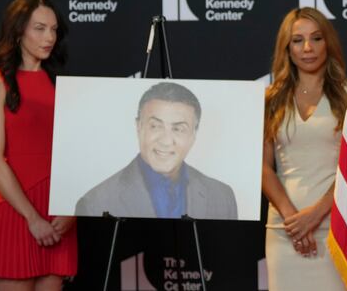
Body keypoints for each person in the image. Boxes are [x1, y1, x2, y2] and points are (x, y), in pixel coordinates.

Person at [0, 0, 77, 290]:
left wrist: (71, 210)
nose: (49, 37)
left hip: (59, 214)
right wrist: (33, 218)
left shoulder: (63, 87)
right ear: (18, 30)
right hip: (15, 212)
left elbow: (77, 156)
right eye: (39, 28)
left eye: (54, 29)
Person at [262, 7, 347, 290]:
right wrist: (292, 218)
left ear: (329, 42)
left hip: (337, 228)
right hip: (284, 230)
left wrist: (315, 215)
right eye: (298, 40)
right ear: (287, 48)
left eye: (316, 38)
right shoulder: (270, 98)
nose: (308, 48)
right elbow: (262, 167)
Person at [75, 82, 238, 219]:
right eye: (155, 126)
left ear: (193, 135)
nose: (166, 141)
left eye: (178, 129)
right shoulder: (95, 203)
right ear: (138, 127)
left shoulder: (222, 197)